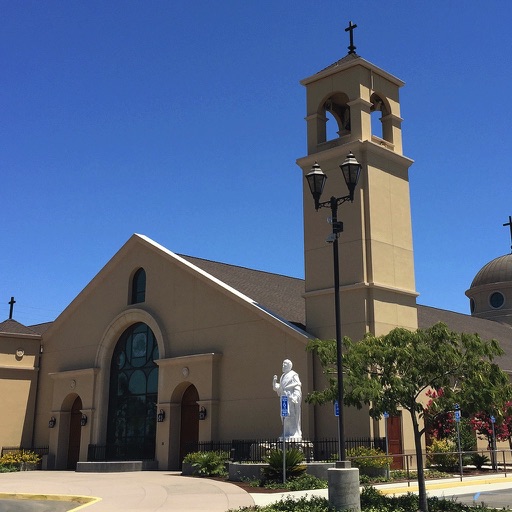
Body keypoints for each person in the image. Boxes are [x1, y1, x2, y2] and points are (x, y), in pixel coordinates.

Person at [272, 359, 302, 440]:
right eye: (282, 364)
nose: (283, 366)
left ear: (289, 366)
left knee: (291, 415)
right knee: (284, 416)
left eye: (284, 365)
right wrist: (275, 383)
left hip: (290, 398)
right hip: (283, 398)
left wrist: (296, 396)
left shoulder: (293, 375)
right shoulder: (282, 376)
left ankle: (293, 432)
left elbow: (297, 386)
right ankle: (286, 432)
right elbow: (280, 388)